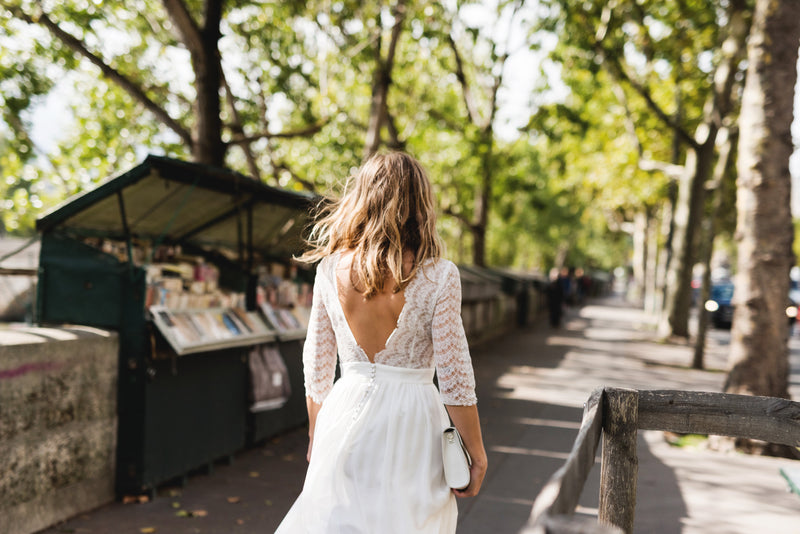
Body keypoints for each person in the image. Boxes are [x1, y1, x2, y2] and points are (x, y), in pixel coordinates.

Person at [275, 152, 488, 533]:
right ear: (420, 203)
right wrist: (476, 451)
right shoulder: (439, 275)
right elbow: (455, 376)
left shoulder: (329, 269)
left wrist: (315, 432)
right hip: (414, 420)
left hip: (345, 411)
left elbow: (318, 363)